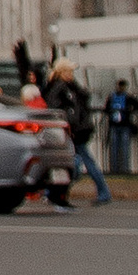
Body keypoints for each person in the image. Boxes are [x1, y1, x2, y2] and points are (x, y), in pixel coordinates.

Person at [48, 57, 110, 207]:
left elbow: (79, 104)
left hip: (77, 130)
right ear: (61, 72)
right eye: (69, 71)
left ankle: (57, 192)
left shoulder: (71, 88)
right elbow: (60, 109)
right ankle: (56, 192)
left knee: (77, 162)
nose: (71, 74)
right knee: (77, 162)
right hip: (72, 130)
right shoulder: (60, 88)